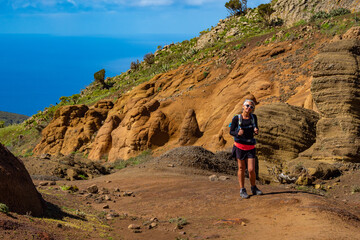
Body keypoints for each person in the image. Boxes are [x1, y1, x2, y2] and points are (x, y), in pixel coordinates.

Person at [230, 99, 263, 199]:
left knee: (251, 169)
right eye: (247, 106)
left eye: (252, 107)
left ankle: (253, 187)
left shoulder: (254, 117)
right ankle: (242, 190)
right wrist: (237, 133)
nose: (249, 108)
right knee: (241, 168)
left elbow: (255, 127)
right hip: (239, 146)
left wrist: (256, 130)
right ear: (243, 106)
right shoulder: (237, 118)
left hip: (250, 146)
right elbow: (231, 131)